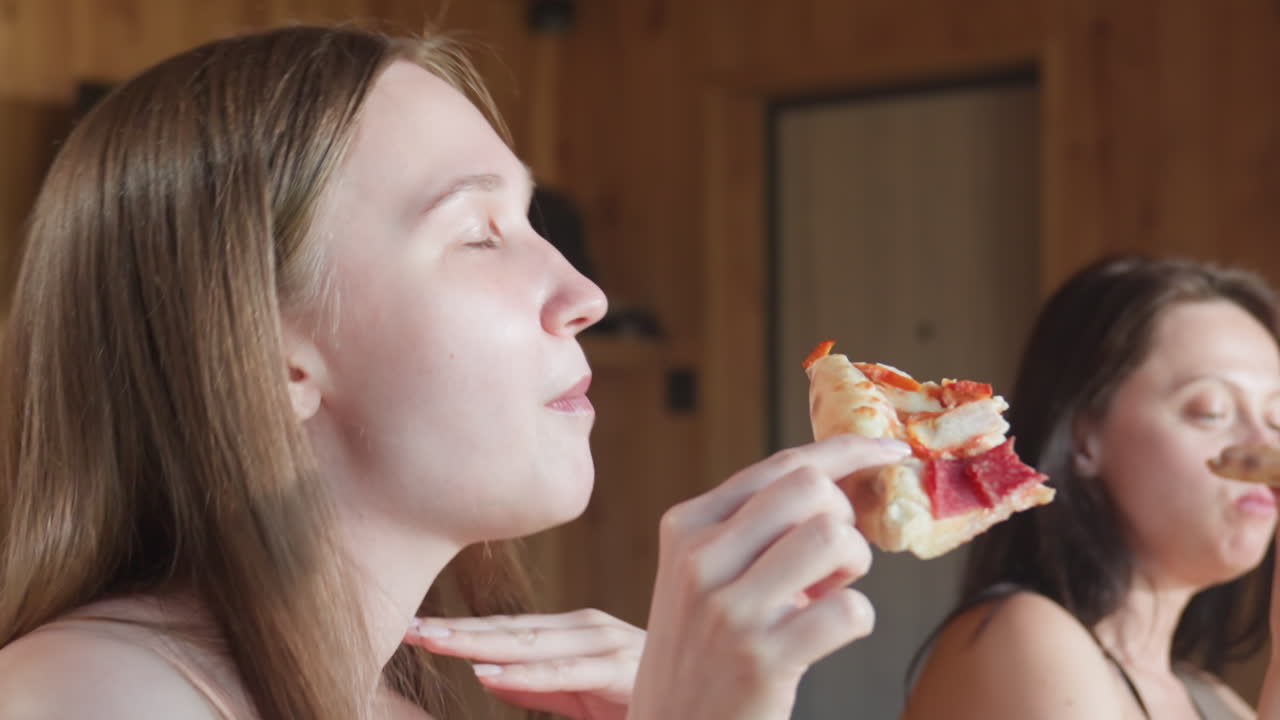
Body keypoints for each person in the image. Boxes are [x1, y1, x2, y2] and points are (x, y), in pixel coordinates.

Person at [0, 25, 906, 720]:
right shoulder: (83, 695)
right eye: (478, 234)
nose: (585, 294)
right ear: (269, 357)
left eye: (532, 221)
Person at [905, 255, 1280, 719]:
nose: (1265, 447)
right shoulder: (1027, 637)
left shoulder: (1210, 697)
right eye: (1210, 411)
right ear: (1082, 439)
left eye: (1276, 419)